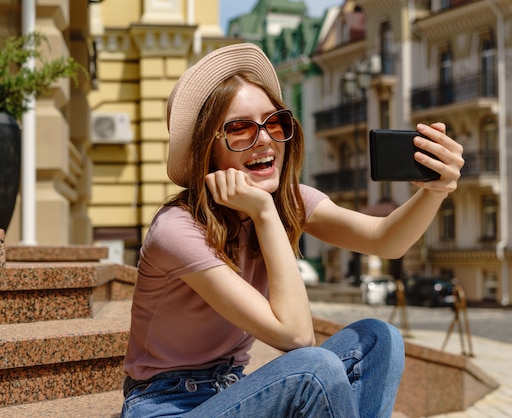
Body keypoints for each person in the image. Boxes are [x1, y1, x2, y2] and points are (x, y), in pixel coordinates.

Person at [121, 43, 464, 418]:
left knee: (379, 339)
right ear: (209, 149)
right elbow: (297, 337)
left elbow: (387, 240)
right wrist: (266, 215)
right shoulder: (178, 228)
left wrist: (436, 190)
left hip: (236, 391)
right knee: (315, 369)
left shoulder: (288, 201)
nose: (265, 139)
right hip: (165, 407)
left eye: (274, 121)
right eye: (239, 129)